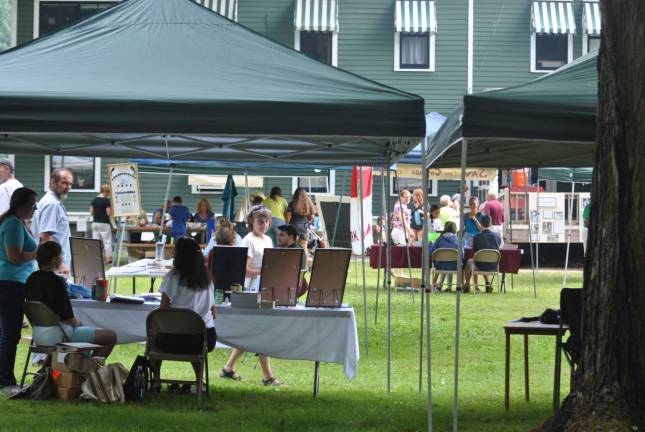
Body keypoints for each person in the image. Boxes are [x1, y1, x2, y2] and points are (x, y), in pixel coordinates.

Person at [220, 205, 280, 386]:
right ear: (252, 222)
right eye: (260, 221)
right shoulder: (248, 240)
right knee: (260, 329)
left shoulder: (268, 240)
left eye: (267, 221)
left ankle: (228, 368)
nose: (264, 224)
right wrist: (264, 271)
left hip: (265, 287)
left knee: (255, 329)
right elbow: (244, 269)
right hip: (251, 289)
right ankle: (268, 376)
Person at [26, 241, 116, 357]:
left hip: (38, 335)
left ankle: (63, 370)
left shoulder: (31, 279)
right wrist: (80, 324)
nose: (62, 259)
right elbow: (68, 318)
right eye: (61, 256)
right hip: (59, 334)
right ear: (54, 259)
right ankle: (90, 371)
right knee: (110, 337)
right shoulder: (57, 281)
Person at [153, 237, 217, 394]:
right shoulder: (208, 280)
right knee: (195, 344)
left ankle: (156, 380)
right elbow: (213, 313)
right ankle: (199, 381)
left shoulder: (172, 278)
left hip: (174, 340)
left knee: (153, 337)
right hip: (204, 339)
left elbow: (163, 311)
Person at [0, 187, 37, 395]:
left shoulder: (16, 222)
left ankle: (3, 378)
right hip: (10, 283)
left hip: (10, 282)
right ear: (22, 205)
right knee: (10, 334)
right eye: (33, 204)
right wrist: (37, 253)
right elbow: (14, 256)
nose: (35, 208)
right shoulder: (13, 224)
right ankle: (5, 380)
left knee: (5, 333)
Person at [31, 168, 73, 274]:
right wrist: (61, 264)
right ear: (53, 182)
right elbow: (45, 236)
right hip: (54, 268)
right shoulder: (52, 204)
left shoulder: (52, 202)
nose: (68, 187)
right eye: (64, 183)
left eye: (70, 184)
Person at [463, 215, 501, 293]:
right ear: (490, 224)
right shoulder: (497, 236)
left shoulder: (477, 237)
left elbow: (474, 253)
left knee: (469, 262)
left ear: (481, 223)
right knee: (483, 259)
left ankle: (467, 284)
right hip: (493, 264)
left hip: (480, 264)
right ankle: (488, 284)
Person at [429, 221, 458, 292]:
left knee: (444, 262)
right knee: (450, 262)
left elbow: (431, 252)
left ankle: (440, 286)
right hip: (454, 266)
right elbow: (462, 255)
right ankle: (448, 287)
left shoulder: (440, 239)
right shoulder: (457, 240)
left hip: (440, 266)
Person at [90, 184, 113, 264]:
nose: (109, 194)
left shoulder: (94, 200)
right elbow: (108, 213)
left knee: (96, 242)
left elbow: (91, 212)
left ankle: (98, 259)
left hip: (95, 223)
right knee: (107, 242)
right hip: (104, 224)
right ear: (106, 191)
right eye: (109, 192)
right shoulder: (106, 201)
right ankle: (108, 259)